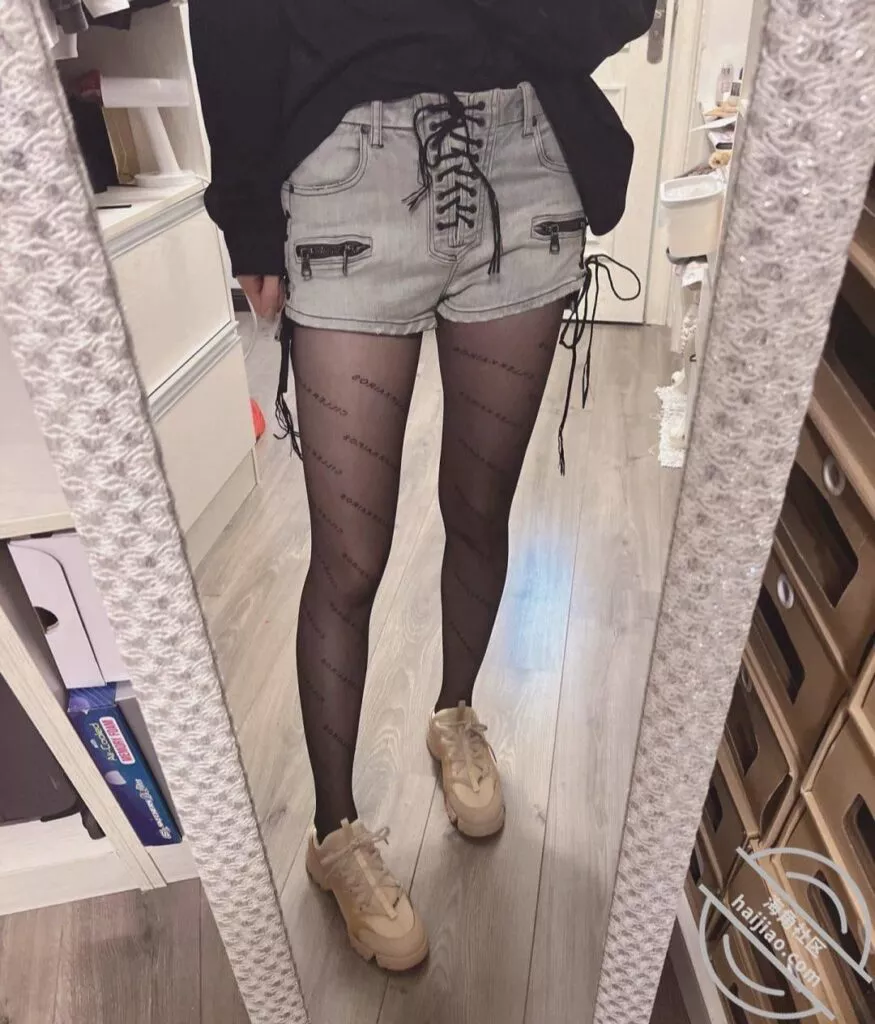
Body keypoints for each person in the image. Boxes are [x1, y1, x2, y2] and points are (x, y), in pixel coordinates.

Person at [190, 0, 655, 971]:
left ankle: (454, 716)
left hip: (527, 156)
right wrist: (246, 213)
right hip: (345, 170)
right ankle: (334, 832)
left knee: (480, 509)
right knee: (349, 560)